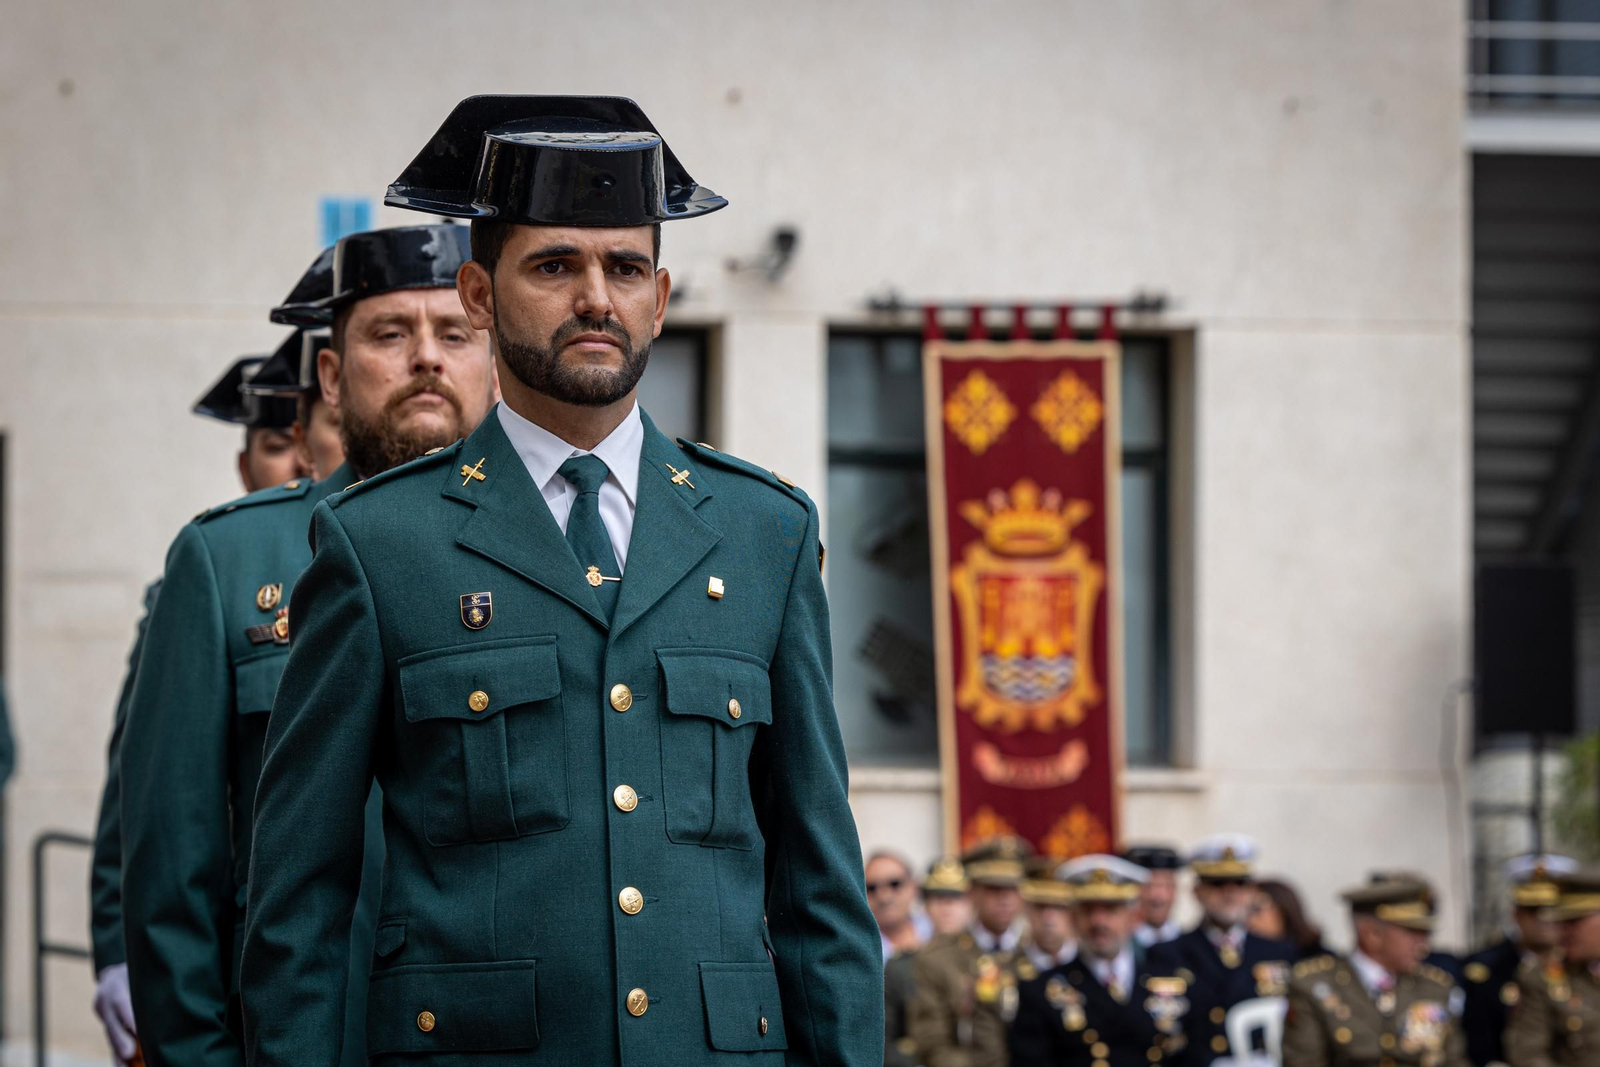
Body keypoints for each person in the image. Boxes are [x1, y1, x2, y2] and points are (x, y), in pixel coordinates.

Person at [242, 95, 881, 1066]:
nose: (596, 297)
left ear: (661, 298)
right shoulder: (381, 543)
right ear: (479, 296)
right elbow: (299, 900)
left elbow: (819, 884)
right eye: (554, 265)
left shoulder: (765, 532)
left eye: (625, 267)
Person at [119, 223, 487, 1067]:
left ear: (494, 364)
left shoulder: (560, 553)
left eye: (455, 333)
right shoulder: (225, 560)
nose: (425, 357)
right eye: (390, 333)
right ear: (330, 373)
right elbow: (172, 868)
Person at [88, 350, 307, 1066]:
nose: (297, 465)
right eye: (276, 448)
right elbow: (145, 794)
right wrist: (117, 949)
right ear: (248, 469)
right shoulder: (209, 577)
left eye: (307, 440)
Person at [1010, 855, 1192, 1067]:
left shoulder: (1173, 981)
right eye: (1088, 910)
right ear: (1074, 916)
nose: (1098, 921)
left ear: (1133, 915)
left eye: (1110, 909)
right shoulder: (1042, 991)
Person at [1283, 876, 1465, 1067]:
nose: (1423, 943)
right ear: (1372, 934)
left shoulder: (1435, 986)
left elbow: (1454, 1060)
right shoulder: (1313, 985)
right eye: (1412, 932)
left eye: (1425, 933)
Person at [1147, 833, 1296, 1065]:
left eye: (1240, 882)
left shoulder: (1279, 952)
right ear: (1197, 891)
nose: (1230, 892)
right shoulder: (1168, 953)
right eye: (1217, 883)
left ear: (1252, 891)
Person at [908, 836, 1032, 1067]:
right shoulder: (938, 959)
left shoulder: (1036, 954)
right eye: (994, 889)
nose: (1004, 899)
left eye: (1012, 889)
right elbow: (933, 1044)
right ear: (972, 892)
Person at [1463, 854, 1572, 1067]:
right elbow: (1477, 1044)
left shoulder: (1582, 969)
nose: (1545, 919)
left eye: (1553, 909)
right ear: (1516, 913)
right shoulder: (1486, 970)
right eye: (1534, 909)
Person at [1504, 865, 1600, 1067]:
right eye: (1563, 921)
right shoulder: (1541, 977)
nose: (1564, 930)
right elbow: (1528, 1056)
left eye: (1575, 921)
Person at [1020, 855, 1077, 975]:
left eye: (1059, 907)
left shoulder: (1090, 967)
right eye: (1040, 906)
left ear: (1073, 913)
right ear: (1026, 909)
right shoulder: (1011, 968)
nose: (1048, 918)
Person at [870, 849, 931, 960]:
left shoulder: (936, 929)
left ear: (914, 886)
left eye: (894, 884)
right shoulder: (859, 950)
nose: (884, 896)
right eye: (871, 888)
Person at [1253, 877, 1328, 960]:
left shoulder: (1322, 959)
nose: (1248, 918)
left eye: (1255, 908)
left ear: (1282, 908)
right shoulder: (1246, 957)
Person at [1126, 845, 1185, 948]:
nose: (1157, 895)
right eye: (1149, 886)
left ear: (1175, 890)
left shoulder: (1190, 945)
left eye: (1166, 885)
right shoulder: (1124, 946)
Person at [924, 856, 975, 936]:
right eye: (939, 898)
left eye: (956, 898)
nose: (946, 908)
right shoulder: (914, 945)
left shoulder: (990, 945)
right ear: (926, 905)